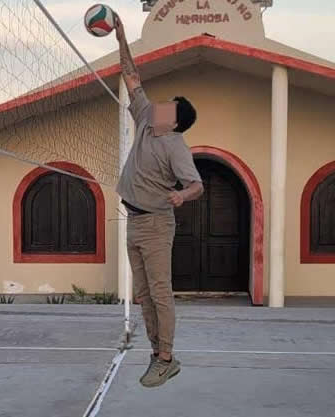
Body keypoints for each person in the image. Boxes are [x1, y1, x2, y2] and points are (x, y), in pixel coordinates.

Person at [114, 16, 204, 388]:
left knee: (160, 292)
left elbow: (197, 184)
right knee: (143, 295)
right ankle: (156, 353)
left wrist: (182, 194)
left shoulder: (175, 145)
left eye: (170, 106)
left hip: (155, 223)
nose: (162, 105)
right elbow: (130, 74)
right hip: (134, 220)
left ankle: (167, 357)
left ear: (176, 120)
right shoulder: (147, 119)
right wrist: (121, 36)